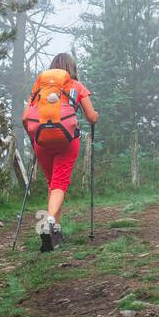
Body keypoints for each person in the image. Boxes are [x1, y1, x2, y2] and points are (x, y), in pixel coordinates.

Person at [22, 51, 97, 251]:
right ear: (72, 69)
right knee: (59, 184)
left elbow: (25, 117)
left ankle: (54, 232)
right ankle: (50, 223)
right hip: (67, 140)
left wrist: (32, 140)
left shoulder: (39, 87)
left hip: (41, 141)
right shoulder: (76, 86)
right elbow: (91, 117)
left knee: (53, 184)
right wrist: (95, 116)